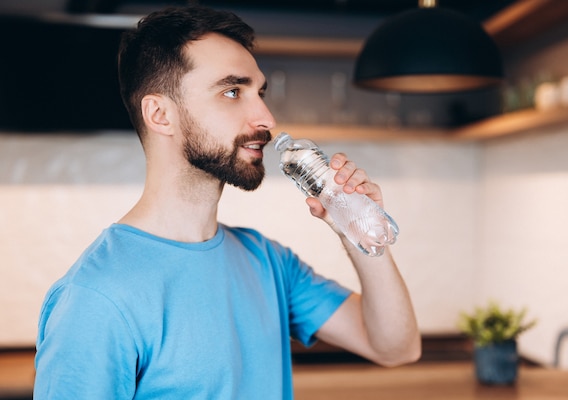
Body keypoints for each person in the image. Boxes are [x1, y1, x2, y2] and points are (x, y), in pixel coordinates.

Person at [33, 5, 421, 399]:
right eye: (232, 92)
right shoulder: (95, 299)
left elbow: (396, 347)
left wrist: (357, 225)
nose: (266, 117)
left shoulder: (267, 262)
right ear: (160, 115)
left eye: (260, 92)